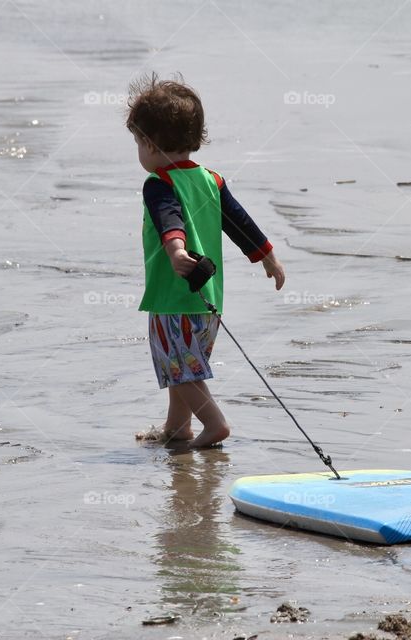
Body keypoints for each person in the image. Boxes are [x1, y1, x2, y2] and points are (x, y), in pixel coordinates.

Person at [126, 74, 285, 449]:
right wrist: (268, 257)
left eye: (137, 142)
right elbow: (239, 222)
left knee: (179, 370)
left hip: (174, 298)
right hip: (209, 300)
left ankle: (215, 424)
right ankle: (178, 429)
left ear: (149, 143)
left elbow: (170, 220)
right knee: (185, 365)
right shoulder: (211, 180)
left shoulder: (159, 183)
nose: (138, 151)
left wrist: (177, 252)